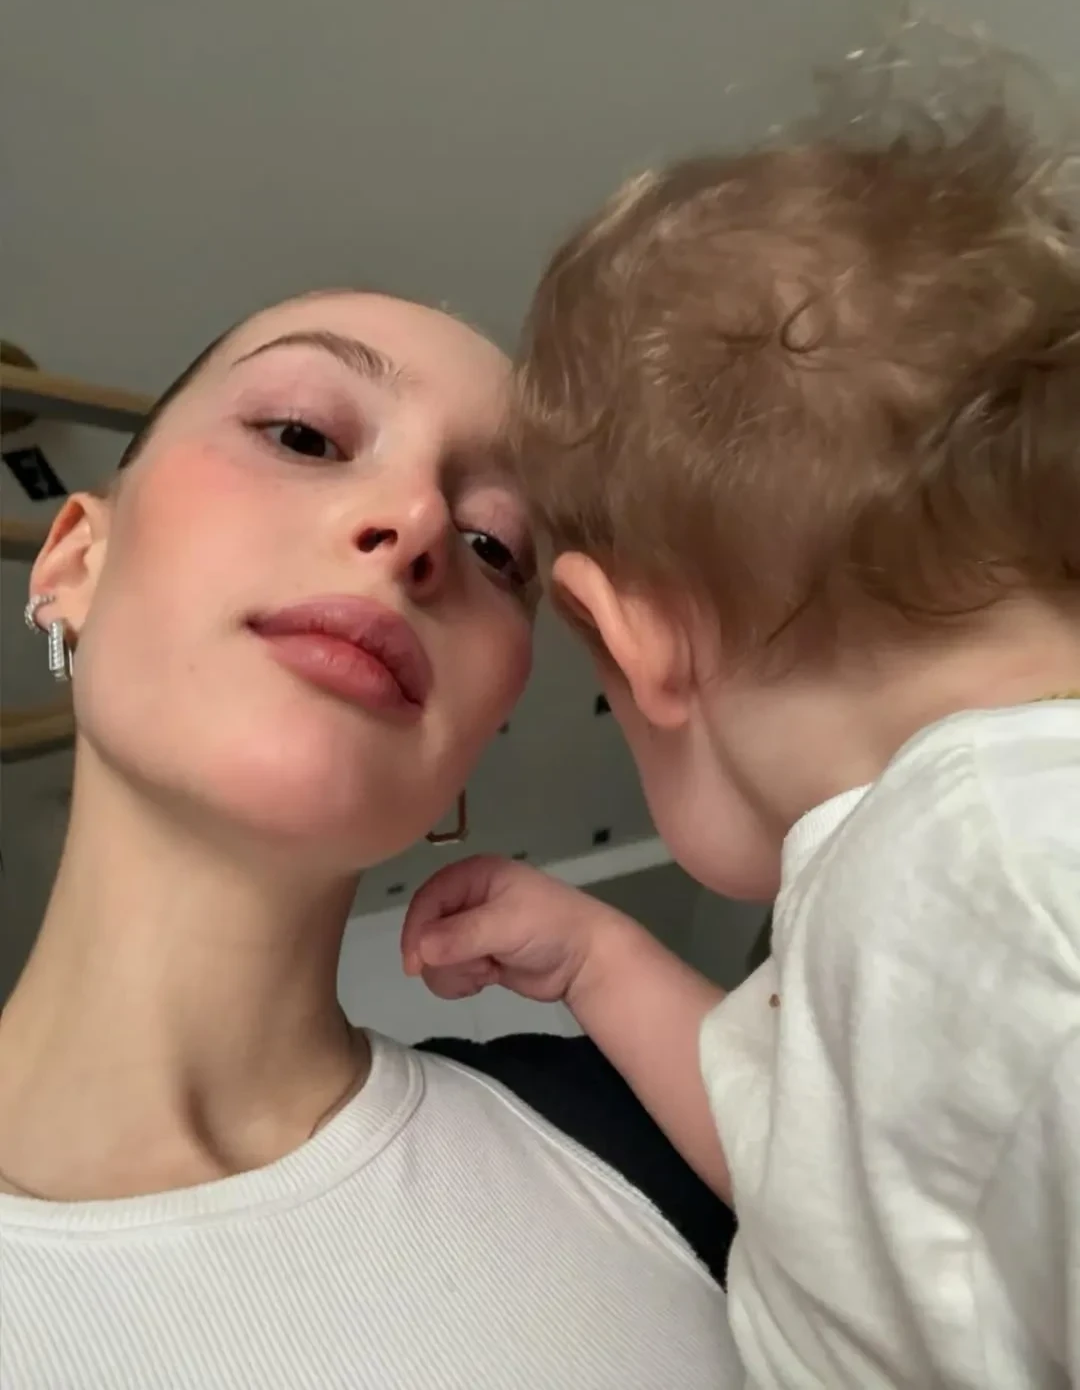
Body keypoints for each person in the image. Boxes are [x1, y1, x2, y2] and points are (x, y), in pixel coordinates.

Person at [404, 79, 1080, 1387]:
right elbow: (832, 1214)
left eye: (494, 550)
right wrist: (601, 961)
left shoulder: (1010, 882)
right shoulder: (923, 891)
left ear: (637, 644)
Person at [0, 290, 742, 1388]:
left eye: (494, 545)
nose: (419, 523)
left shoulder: (668, 1125)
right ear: (74, 564)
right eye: (303, 435)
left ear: (476, 737)